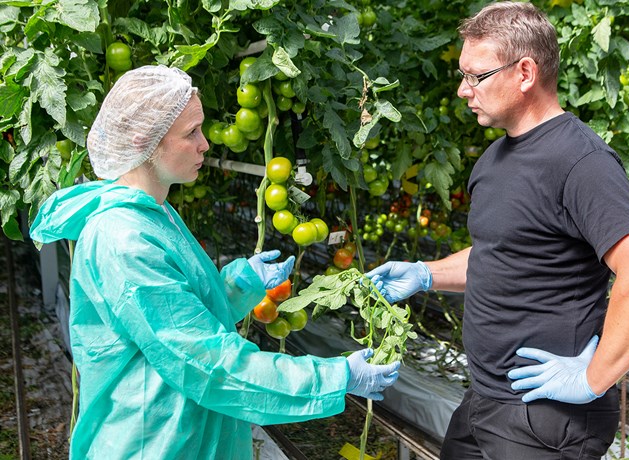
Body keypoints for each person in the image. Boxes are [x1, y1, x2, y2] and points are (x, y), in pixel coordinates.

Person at [29, 65, 400, 460]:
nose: (205, 144)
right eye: (191, 133)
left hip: (186, 430)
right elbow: (204, 360)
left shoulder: (154, 212)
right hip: (152, 441)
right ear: (144, 140)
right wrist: (334, 376)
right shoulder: (124, 238)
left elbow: (177, 315)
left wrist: (241, 284)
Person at [366, 2, 629, 459]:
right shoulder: (495, 159)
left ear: (525, 72)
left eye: (475, 76)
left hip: (545, 417)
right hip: (486, 399)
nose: (462, 89)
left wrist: (592, 379)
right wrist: (427, 272)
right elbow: (505, 254)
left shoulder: (581, 163)